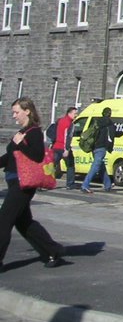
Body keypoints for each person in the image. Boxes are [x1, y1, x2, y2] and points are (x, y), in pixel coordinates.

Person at [0, 98, 66, 269]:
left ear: (27, 111)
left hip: (24, 184)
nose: (14, 116)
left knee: (4, 220)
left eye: (16, 112)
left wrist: (20, 143)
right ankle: (53, 252)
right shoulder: (23, 131)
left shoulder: (34, 132)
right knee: (24, 223)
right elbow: (11, 157)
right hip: (16, 181)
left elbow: (37, 156)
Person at [81, 106, 116, 194]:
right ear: (110, 114)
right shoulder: (110, 124)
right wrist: (110, 148)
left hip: (94, 147)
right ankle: (85, 185)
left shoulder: (97, 121)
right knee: (95, 167)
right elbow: (111, 138)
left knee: (101, 166)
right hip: (101, 148)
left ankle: (107, 185)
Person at [51, 106, 78, 189]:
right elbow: (68, 137)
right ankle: (70, 184)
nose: (76, 115)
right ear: (69, 113)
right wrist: (66, 149)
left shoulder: (60, 121)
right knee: (70, 165)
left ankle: (42, 183)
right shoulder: (70, 123)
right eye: (75, 113)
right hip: (63, 147)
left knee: (51, 165)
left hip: (55, 146)